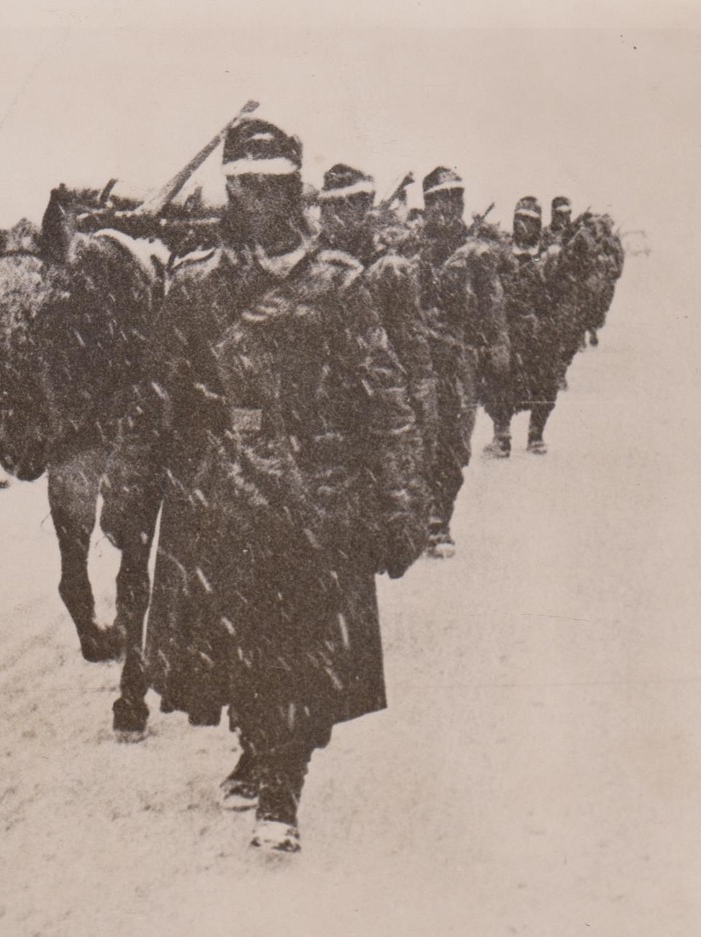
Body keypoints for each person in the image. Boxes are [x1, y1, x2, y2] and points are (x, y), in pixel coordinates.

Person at [101, 120, 428, 853]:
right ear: (228, 193)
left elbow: (386, 399)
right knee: (235, 645)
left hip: (319, 494)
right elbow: (155, 397)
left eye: (274, 185)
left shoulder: (340, 285)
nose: (259, 200)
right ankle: (257, 743)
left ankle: (282, 784)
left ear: (296, 190)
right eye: (245, 185)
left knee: (304, 647)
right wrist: (127, 486)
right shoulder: (193, 289)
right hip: (221, 497)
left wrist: (402, 501)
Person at [318, 164, 438, 486]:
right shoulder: (307, 266)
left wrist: (422, 398)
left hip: (380, 400)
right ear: (324, 208)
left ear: (366, 206)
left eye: (355, 203)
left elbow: (411, 341)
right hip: (322, 408)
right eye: (336, 204)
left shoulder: (389, 269)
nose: (346, 213)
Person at [412, 166, 509, 557]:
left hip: (458, 360)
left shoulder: (478, 255)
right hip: (415, 361)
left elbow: (493, 303)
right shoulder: (408, 249)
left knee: (454, 445)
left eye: (455, 199)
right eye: (440, 200)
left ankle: (440, 519)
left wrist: (498, 344)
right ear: (428, 204)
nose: (448, 208)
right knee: (417, 438)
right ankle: (421, 516)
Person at [484, 196, 556, 456]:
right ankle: (501, 434)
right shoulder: (501, 252)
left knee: (545, 380)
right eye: (520, 219)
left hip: (539, 327)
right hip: (507, 326)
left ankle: (536, 434)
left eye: (530, 221)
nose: (524, 226)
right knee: (499, 377)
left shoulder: (549, 256)